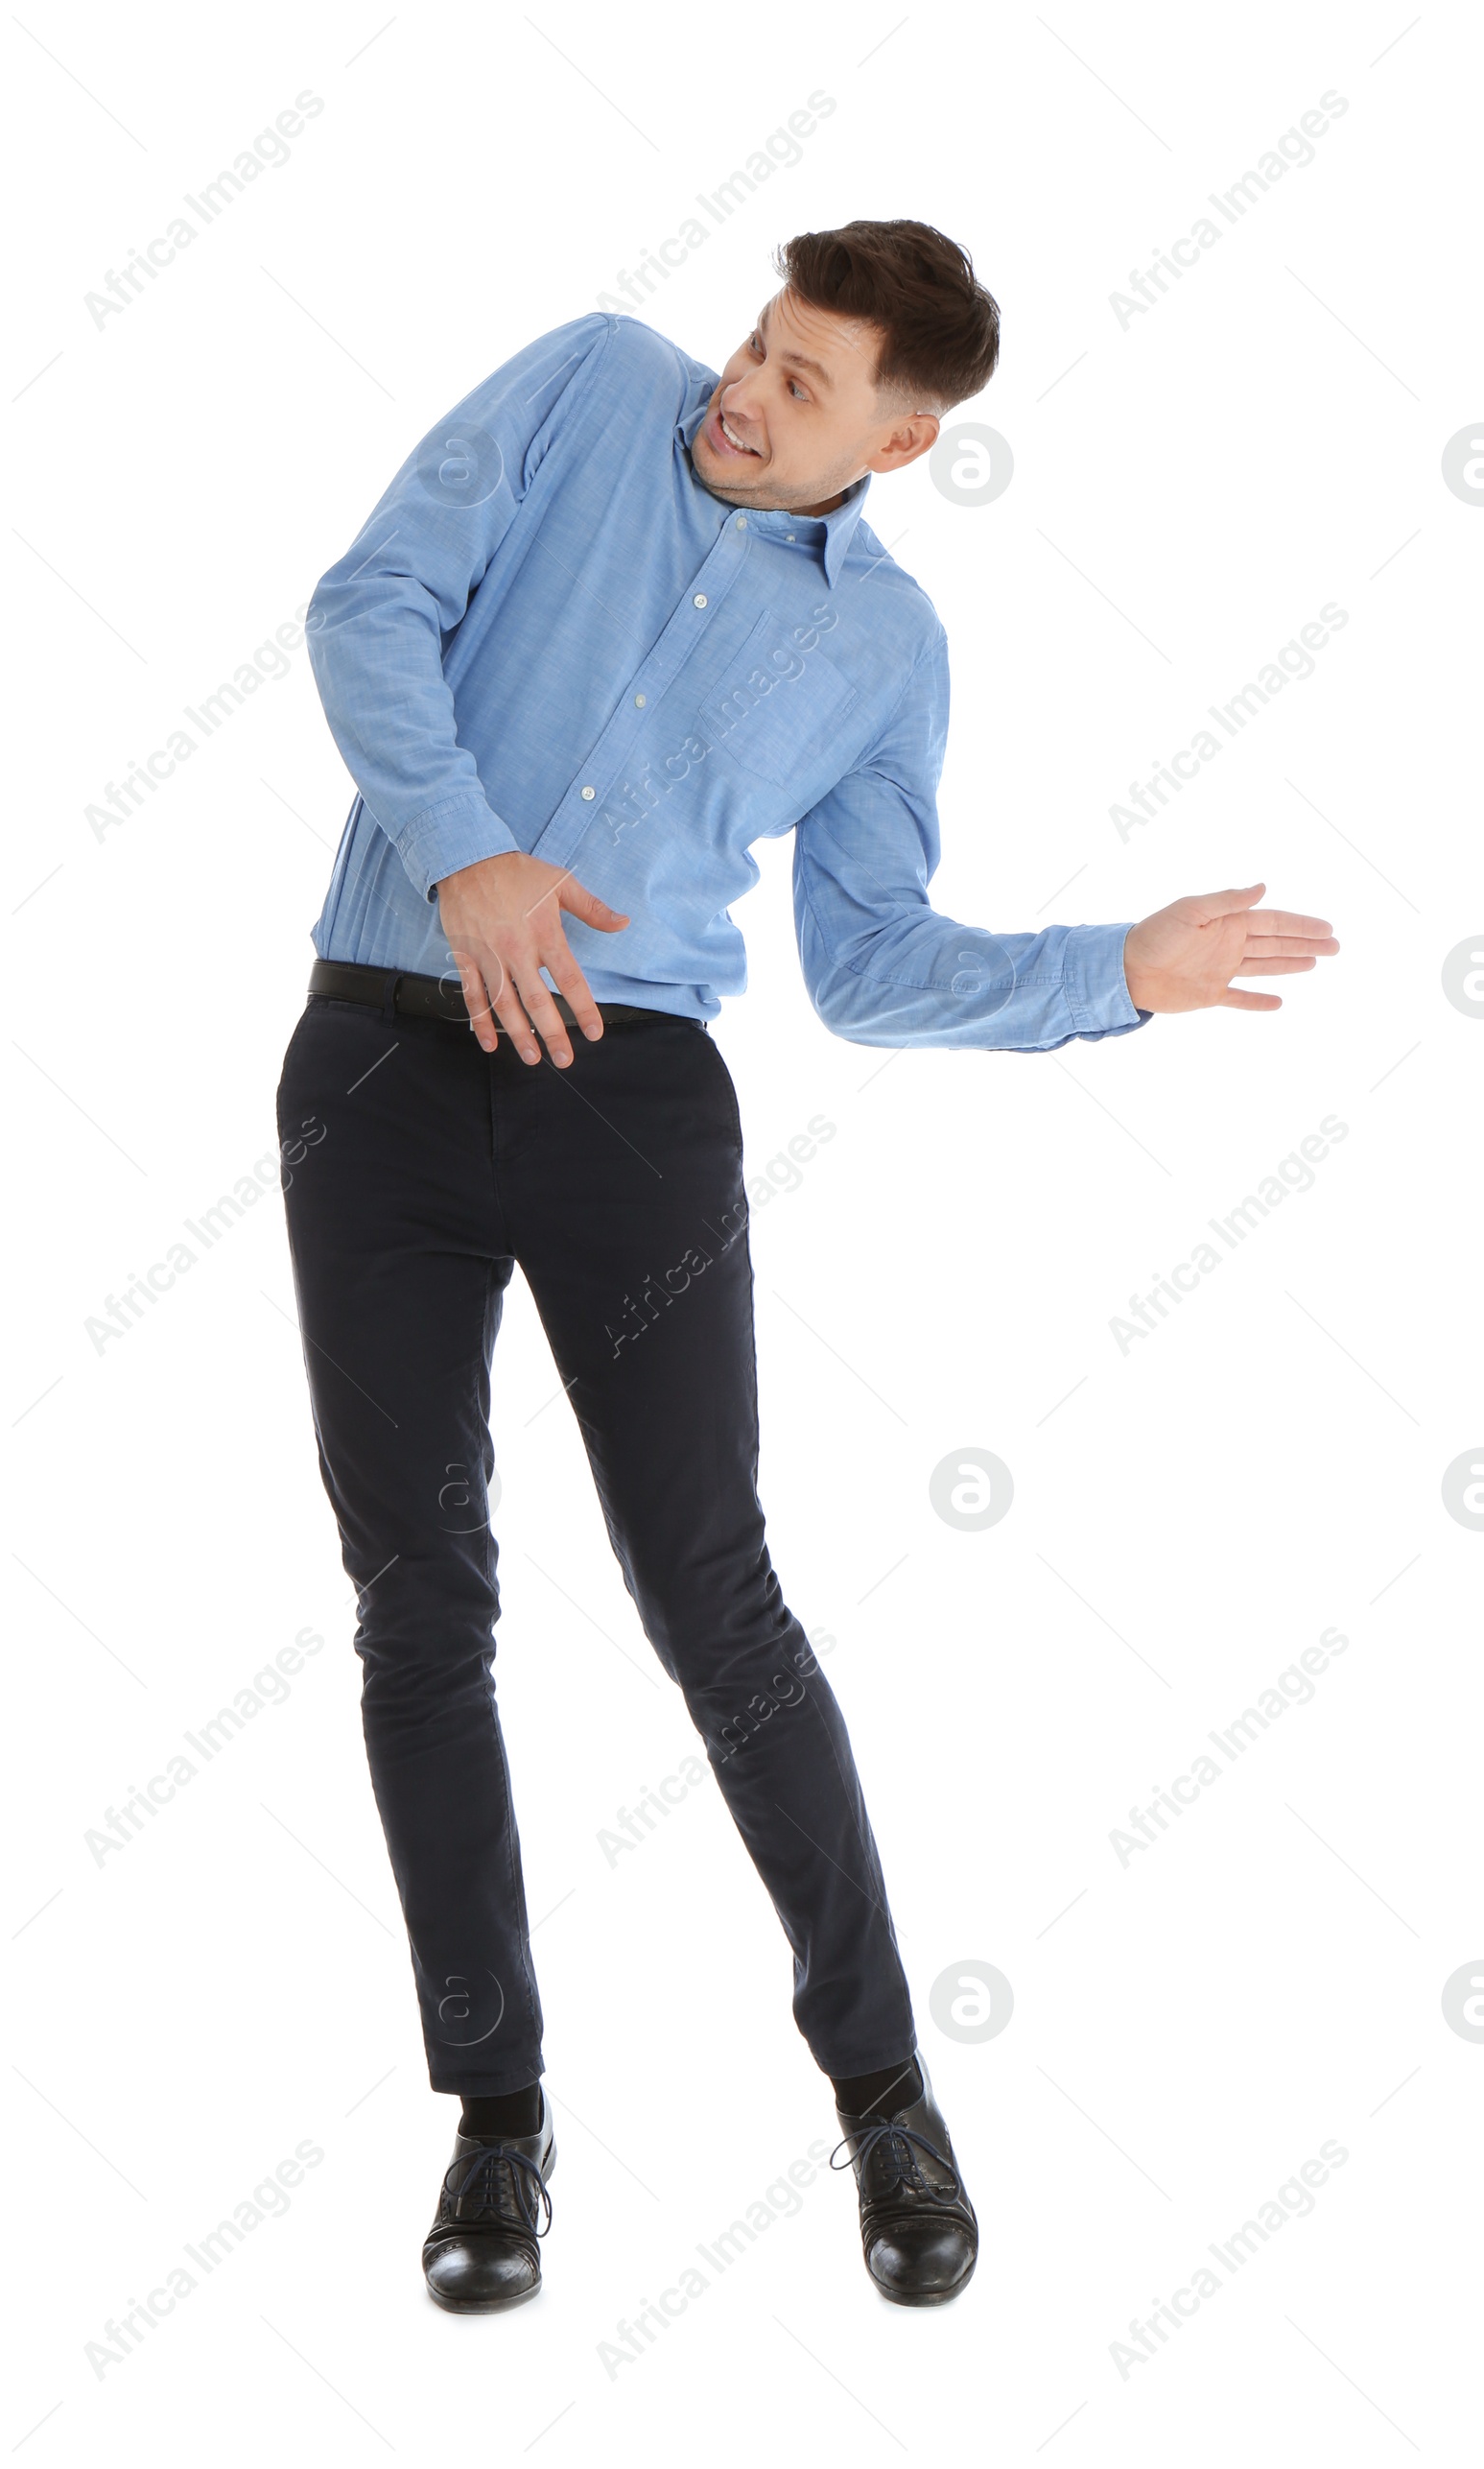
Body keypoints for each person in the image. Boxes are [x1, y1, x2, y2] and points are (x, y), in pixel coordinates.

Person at [277, 219, 1336, 2314]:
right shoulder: (585, 381)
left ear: (906, 434)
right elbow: (370, 602)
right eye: (757, 346)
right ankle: (496, 2126)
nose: (740, 394)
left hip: (627, 1104)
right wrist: (467, 847)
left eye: (801, 383)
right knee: (419, 1597)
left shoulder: (884, 652)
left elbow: (867, 963)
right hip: (376, 1077)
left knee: (716, 1603)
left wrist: (1104, 972)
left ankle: (877, 2090)